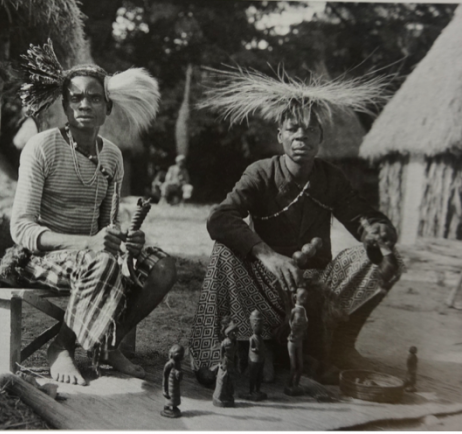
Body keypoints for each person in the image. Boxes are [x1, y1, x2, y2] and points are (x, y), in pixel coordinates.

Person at [190, 67, 402, 386]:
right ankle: (218, 354)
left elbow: (362, 218)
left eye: (309, 130)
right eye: (293, 129)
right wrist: (267, 254)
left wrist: (378, 233)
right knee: (223, 252)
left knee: (386, 261)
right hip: (265, 283)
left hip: (317, 287)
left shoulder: (332, 178)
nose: (301, 136)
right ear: (280, 136)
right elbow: (220, 218)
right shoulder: (260, 172)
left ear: (320, 138)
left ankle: (339, 347)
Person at [10, 39, 177, 384]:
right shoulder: (41, 147)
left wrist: (126, 239)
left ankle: (109, 343)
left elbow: (107, 225)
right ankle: (61, 348)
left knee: (162, 267)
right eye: (76, 97)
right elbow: (21, 229)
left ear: (108, 108)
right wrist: (88, 244)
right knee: (101, 261)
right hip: (42, 257)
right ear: (65, 105)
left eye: (94, 97)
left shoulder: (112, 156)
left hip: (93, 257)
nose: (84, 104)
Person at [286, 288, 309, 396]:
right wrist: (293, 330)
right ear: (296, 297)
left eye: (305, 297)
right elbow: (290, 321)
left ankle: (296, 385)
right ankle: (289, 385)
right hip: (293, 341)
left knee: (301, 366)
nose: (304, 299)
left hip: (300, 341)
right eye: (302, 296)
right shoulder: (294, 310)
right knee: (293, 366)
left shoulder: (303, 310)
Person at [162, 344, 185, 418]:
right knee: (169, 396)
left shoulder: (178, 363)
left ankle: (174, 407)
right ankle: (166, 408)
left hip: (175, 384)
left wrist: (179, 374)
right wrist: (164, 390)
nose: (182, 357)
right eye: (180, 355)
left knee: (175, 396)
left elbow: (178, 372)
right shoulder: (169, 364)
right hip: (169, 385)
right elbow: (165, 376)